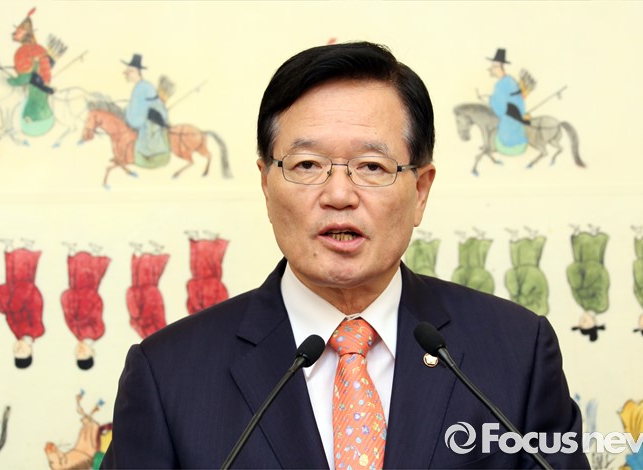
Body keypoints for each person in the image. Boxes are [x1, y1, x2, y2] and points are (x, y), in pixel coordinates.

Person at [102, 42, 589, 469]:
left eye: (372, 166)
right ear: (266, 185)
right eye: (307, 164)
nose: (339, 194)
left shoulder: (517, 354)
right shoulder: (167, 375)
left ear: (420, 191)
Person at [7, 7, 55, 136]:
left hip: (35, 115)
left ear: (26, 34)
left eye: (18, 32)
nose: (14, 34)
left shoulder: (25, 52)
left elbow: (26, 76)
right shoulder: (37, 49)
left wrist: (12, 81)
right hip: (39, 88)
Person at [121, 54, 171, 168]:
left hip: (152, 122)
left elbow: (141, 114)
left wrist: (129, 114)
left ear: (138, 72)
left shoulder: (144, 87)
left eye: (131, 71)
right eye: (128, 71)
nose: (128, 74)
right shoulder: (140, 86)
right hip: (145, 118)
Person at [487, 48, 529, 156]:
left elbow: (500, 110)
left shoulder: (501, 85)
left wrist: (490, 100)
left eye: (493, 66)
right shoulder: (511, 80)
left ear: (499, 66)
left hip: (508, 136)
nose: (491, 69)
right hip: (518, 126)